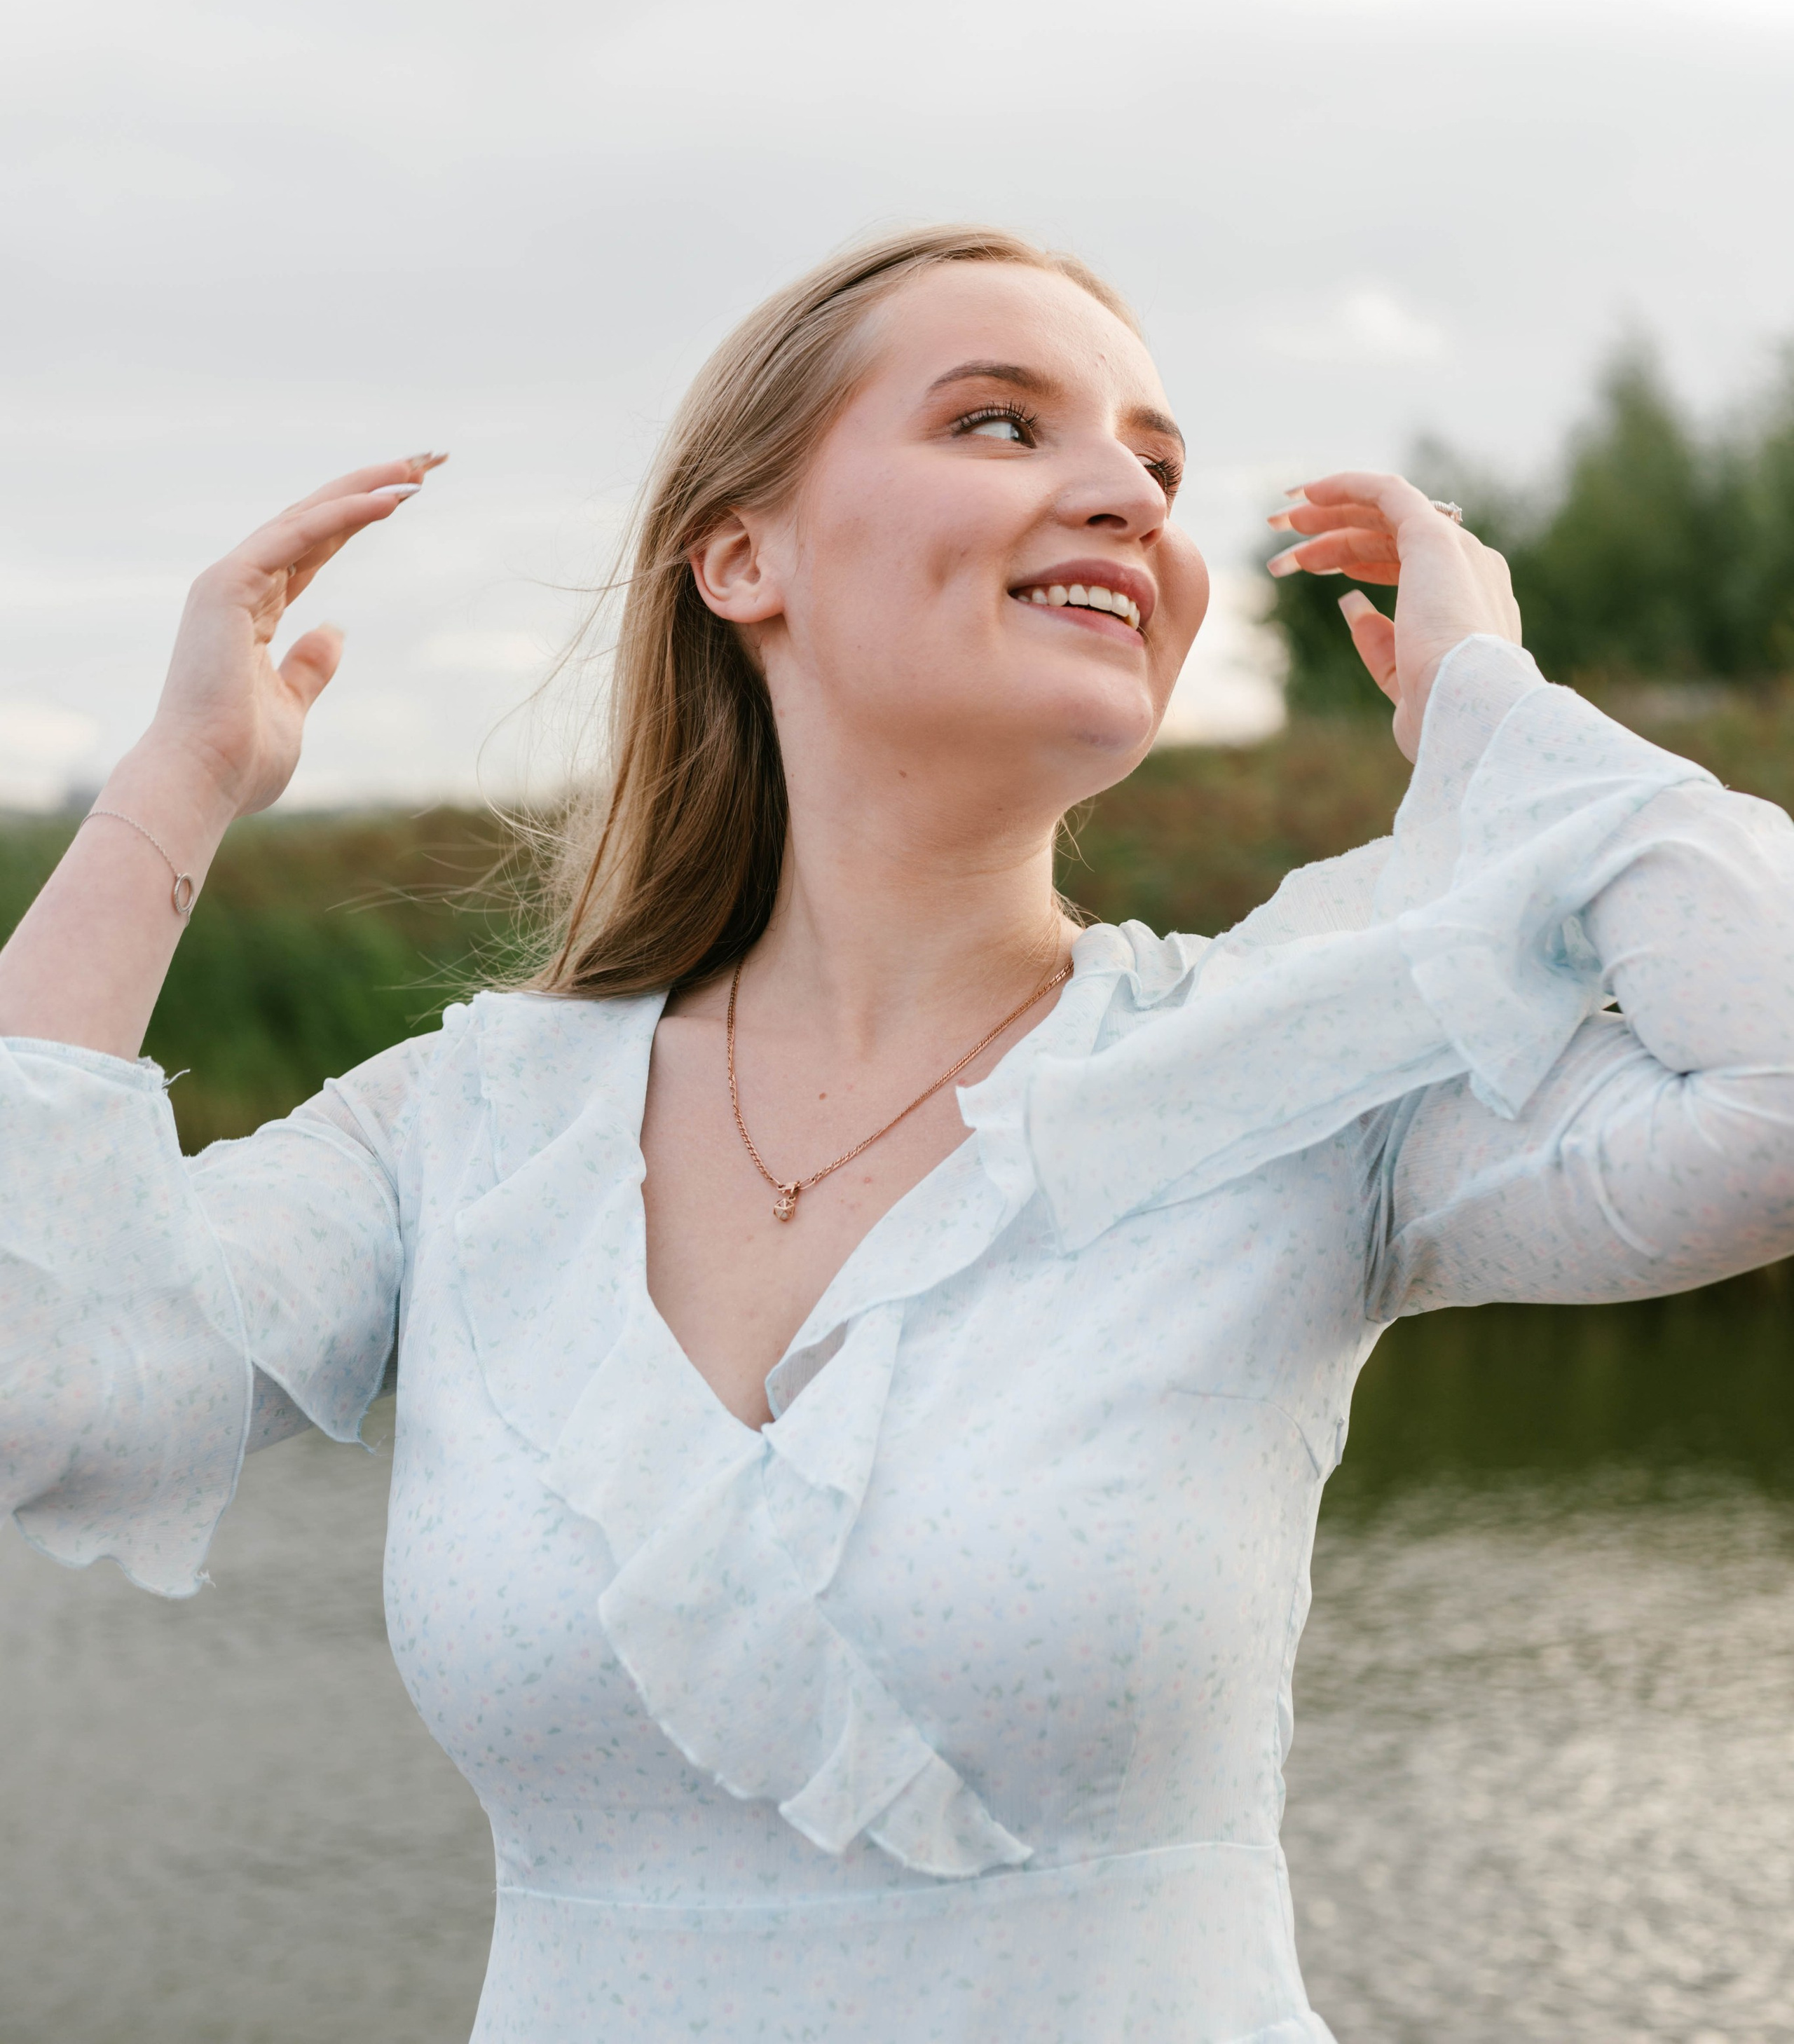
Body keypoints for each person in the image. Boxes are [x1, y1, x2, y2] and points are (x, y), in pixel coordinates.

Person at [3, 222, 1792, 2044]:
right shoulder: (464, 1135)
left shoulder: (1286, 1074)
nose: (1123, 494)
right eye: (1002, 423)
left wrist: (1503, 723)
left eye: (1158, 467)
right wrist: (177, 783)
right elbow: (29, 1382)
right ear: (741, 554)